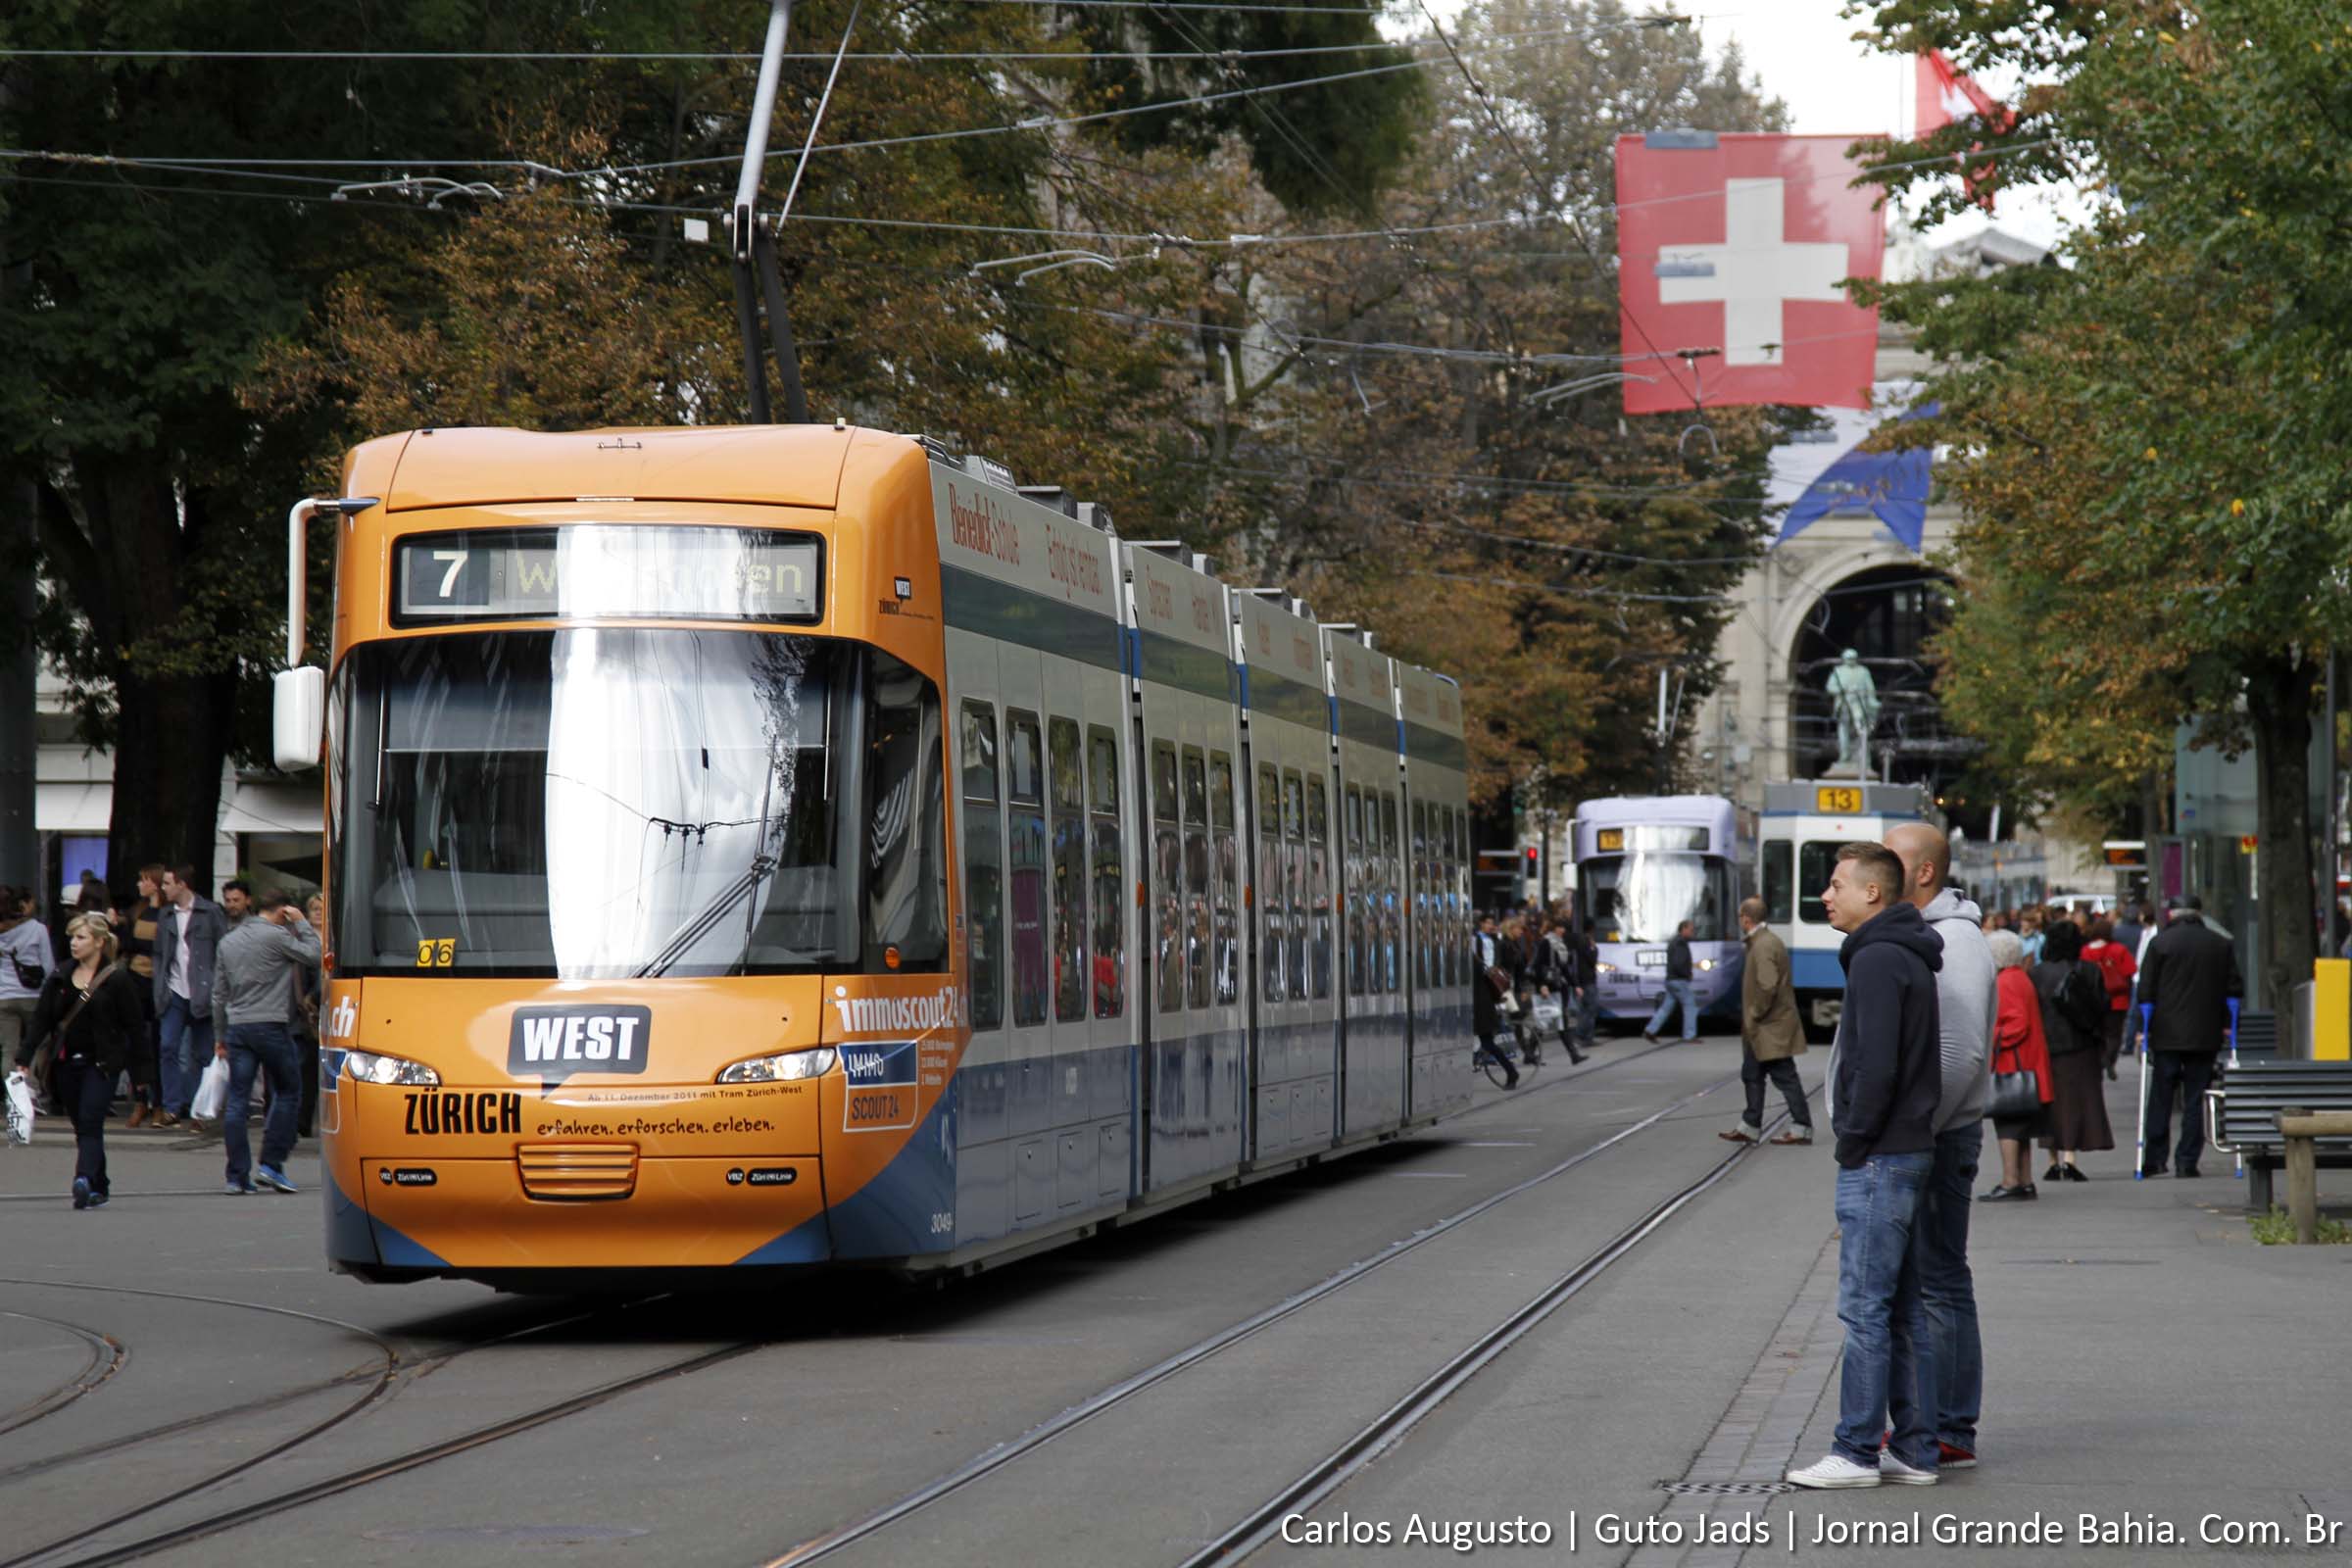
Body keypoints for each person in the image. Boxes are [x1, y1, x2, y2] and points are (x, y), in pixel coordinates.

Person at [1787, 843, 1944, 1491]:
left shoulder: (1878, 959)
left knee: (1864, 1308)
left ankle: (1855, 1450)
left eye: (1836, 884)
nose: (1826, 895)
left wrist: (1853, 1138)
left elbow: (1875, 1064)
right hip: (1907, 1148)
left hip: (1880, 1155)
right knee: (1903, 1308)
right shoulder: (1906, 953)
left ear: (1872, 893)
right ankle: (1916, 1448)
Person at [1884, 821, 1994, 1473]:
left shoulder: (1952, 942)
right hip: (1938, 1130)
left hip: (1940, 1134)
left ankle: (1949, 1424)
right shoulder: (1932, 936)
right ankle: (1938, 1420)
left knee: (1938, 1279)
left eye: (1891, 859)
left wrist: (1916, 1134)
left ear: (1925, 872)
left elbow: (1958, 1054)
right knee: (1932, 1278)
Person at [10, 913, 145, 1208]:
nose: (74, 943)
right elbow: (43, 1019)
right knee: (83, 1126)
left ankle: (82, 1179)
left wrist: (142, 1075)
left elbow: (135, 1027)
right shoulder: (60, 974)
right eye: (72, 937)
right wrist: (24, 1057)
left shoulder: (116, 979)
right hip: (66, 1062)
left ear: (99, 942)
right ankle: (99, 1184)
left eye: (81, 937)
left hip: (102, 1063)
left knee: (90, 1119)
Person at [211, 889, 319, 1195]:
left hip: (238, 1027)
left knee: (238, 1101)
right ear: (283, 911)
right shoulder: (277, 936)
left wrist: (220, 1036)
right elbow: (315, 955)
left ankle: (236, 1176)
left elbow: (218, 995)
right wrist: (302, 923)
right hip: (271, 1024)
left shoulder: (228, 941)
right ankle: (271, 1164)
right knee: (288, 1091)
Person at [2135, 895, 2243, 1178]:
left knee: (2161, 1096)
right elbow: (2234, 988)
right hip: (2205, 1034)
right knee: (2196, 1098)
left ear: (2172, 915)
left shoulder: (2160, 943)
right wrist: (2227, 1024)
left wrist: (2144, 1028)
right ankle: (2187, 1161)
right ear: (2199, 914)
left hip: (2166, 1034)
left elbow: (2146, 989)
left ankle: (2155, 1158)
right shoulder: (2220, 944)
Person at [2031, 920, 2114, 1182]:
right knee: (2077, 1101)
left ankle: (2052, 1160)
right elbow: (2102, 1007)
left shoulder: (2036, 973)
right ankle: (2070, 1157)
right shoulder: (2089, 970)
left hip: (2047, 1046)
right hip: (2081, 1044)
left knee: (2050, 1102)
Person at [1723, 897, 1809, 1145]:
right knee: (1752, 1074)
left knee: (1784, 1076)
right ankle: (1750, 1124)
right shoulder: (1764, 941)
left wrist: (1754, 1013)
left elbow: (1768, 985)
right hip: (1763, 1027)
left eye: (1740, 917)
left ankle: (1801, 1126)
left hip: (1769, 1027)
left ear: (1746, 919)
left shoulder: (1763, 945)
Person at [1982, 930, 2054, 1200]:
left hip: (2012, 1063)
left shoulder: (2005, 981)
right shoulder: (2020, 977)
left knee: (2008, 1127)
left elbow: (2016, 1022)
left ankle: (2010, 1181)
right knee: (2021, 1128)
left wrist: (1990, 1035)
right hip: (2028, 1062)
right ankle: (2025, 1180)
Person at [153, 866, 226, 1127]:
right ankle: (172, 1107)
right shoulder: (166, 915)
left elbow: (223, 949)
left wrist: (218, 987)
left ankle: (199, 1109)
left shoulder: (210, 912)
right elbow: (159, 954)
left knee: (203, 1053)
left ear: (182, 884)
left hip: (203, 992)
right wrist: (159, 987)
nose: (163, 888)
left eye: (167, 883)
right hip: (173, 991)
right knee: (168, 1046)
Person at [118, 866, 169, 1126]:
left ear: (155, 884)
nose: (139, 884)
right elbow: (127, 945)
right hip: (135, 980)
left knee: (159, 1045)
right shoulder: (137, 912)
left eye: (144, 880)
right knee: (136, 1042)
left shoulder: (168, 914)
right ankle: (141, 1100)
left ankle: (159, 1102)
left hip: (158, 982)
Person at [1, 886, 57, 1102]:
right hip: (33, 996)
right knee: (38, 1043)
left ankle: (13, 1093)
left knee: (9, 1049)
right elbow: (48, 966)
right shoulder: (37, 929)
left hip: (3, 996)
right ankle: (31, 1089)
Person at [2082, 918, 2138, 1081]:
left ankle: (2100, 1056)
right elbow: (2130, 970)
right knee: (2114, 1033)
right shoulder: (2119, 949)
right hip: (2117, 998)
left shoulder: (2086, 951)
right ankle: (2109, 1058)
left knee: (2098, 1032)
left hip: (2094, 1000)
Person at [1471, 913, 1520, 1089]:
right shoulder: (1471, 955)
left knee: (1488, 1043)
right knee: (1486, 1043)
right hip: (1479, 1004)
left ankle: (1511, 1072)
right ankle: (1510, 1071)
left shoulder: (1469, 957)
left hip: (1480, 1006)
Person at [1642, 919, 1699, 1044]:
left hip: (1671, 980)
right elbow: (1679, 964)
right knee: (1690, 1005)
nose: (1693, 933)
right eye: (1691, 930)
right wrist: (1687, 974)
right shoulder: (1680, 943)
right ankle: (1690, 1035)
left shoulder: (1675, 942)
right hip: (1679, 980)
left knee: (1666, 1008)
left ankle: (1650, 1030)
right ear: (1683, 929)